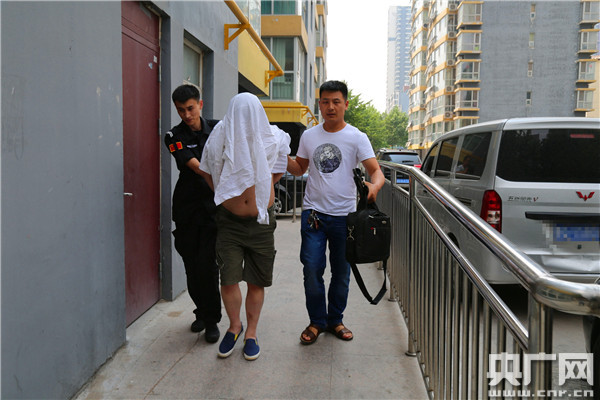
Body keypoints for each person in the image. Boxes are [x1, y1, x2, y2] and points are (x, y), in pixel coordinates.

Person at [287, 80, 385, 345]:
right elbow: (299, 169)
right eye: (325, 102)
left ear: (345, 104)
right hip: (314, 215)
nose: (330, 107)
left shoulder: (356, 137)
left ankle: (335, 320)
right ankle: (317, 321)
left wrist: (374, 187)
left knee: (341, 273)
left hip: (346, 218)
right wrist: (280, 154)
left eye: (336, 102)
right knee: (311, 269)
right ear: (319, 104)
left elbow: (376, 171)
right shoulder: (309, 136)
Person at [199, 92, 290, 361]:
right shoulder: (219, 138)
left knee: (256, 280)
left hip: (261, 221)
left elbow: (280, 166)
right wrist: (225, 193)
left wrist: (264, 185)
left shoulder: (273, 137)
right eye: (240, 113)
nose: (245, 118)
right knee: (228, 279)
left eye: (250, 112)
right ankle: (234, 327)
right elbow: (207, 170)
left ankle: (251, 333)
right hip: (230, 223)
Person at [164, 84, 221, 343]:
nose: (186, 115)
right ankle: (201, 311)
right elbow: (196, 166)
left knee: (207, 266)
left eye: (190, 108)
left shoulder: (219, 129)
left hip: (212, 210)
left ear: (200, 104)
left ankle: (212, 320)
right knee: (191, 267)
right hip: (187, 209)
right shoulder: (173, 136)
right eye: (180, 110)